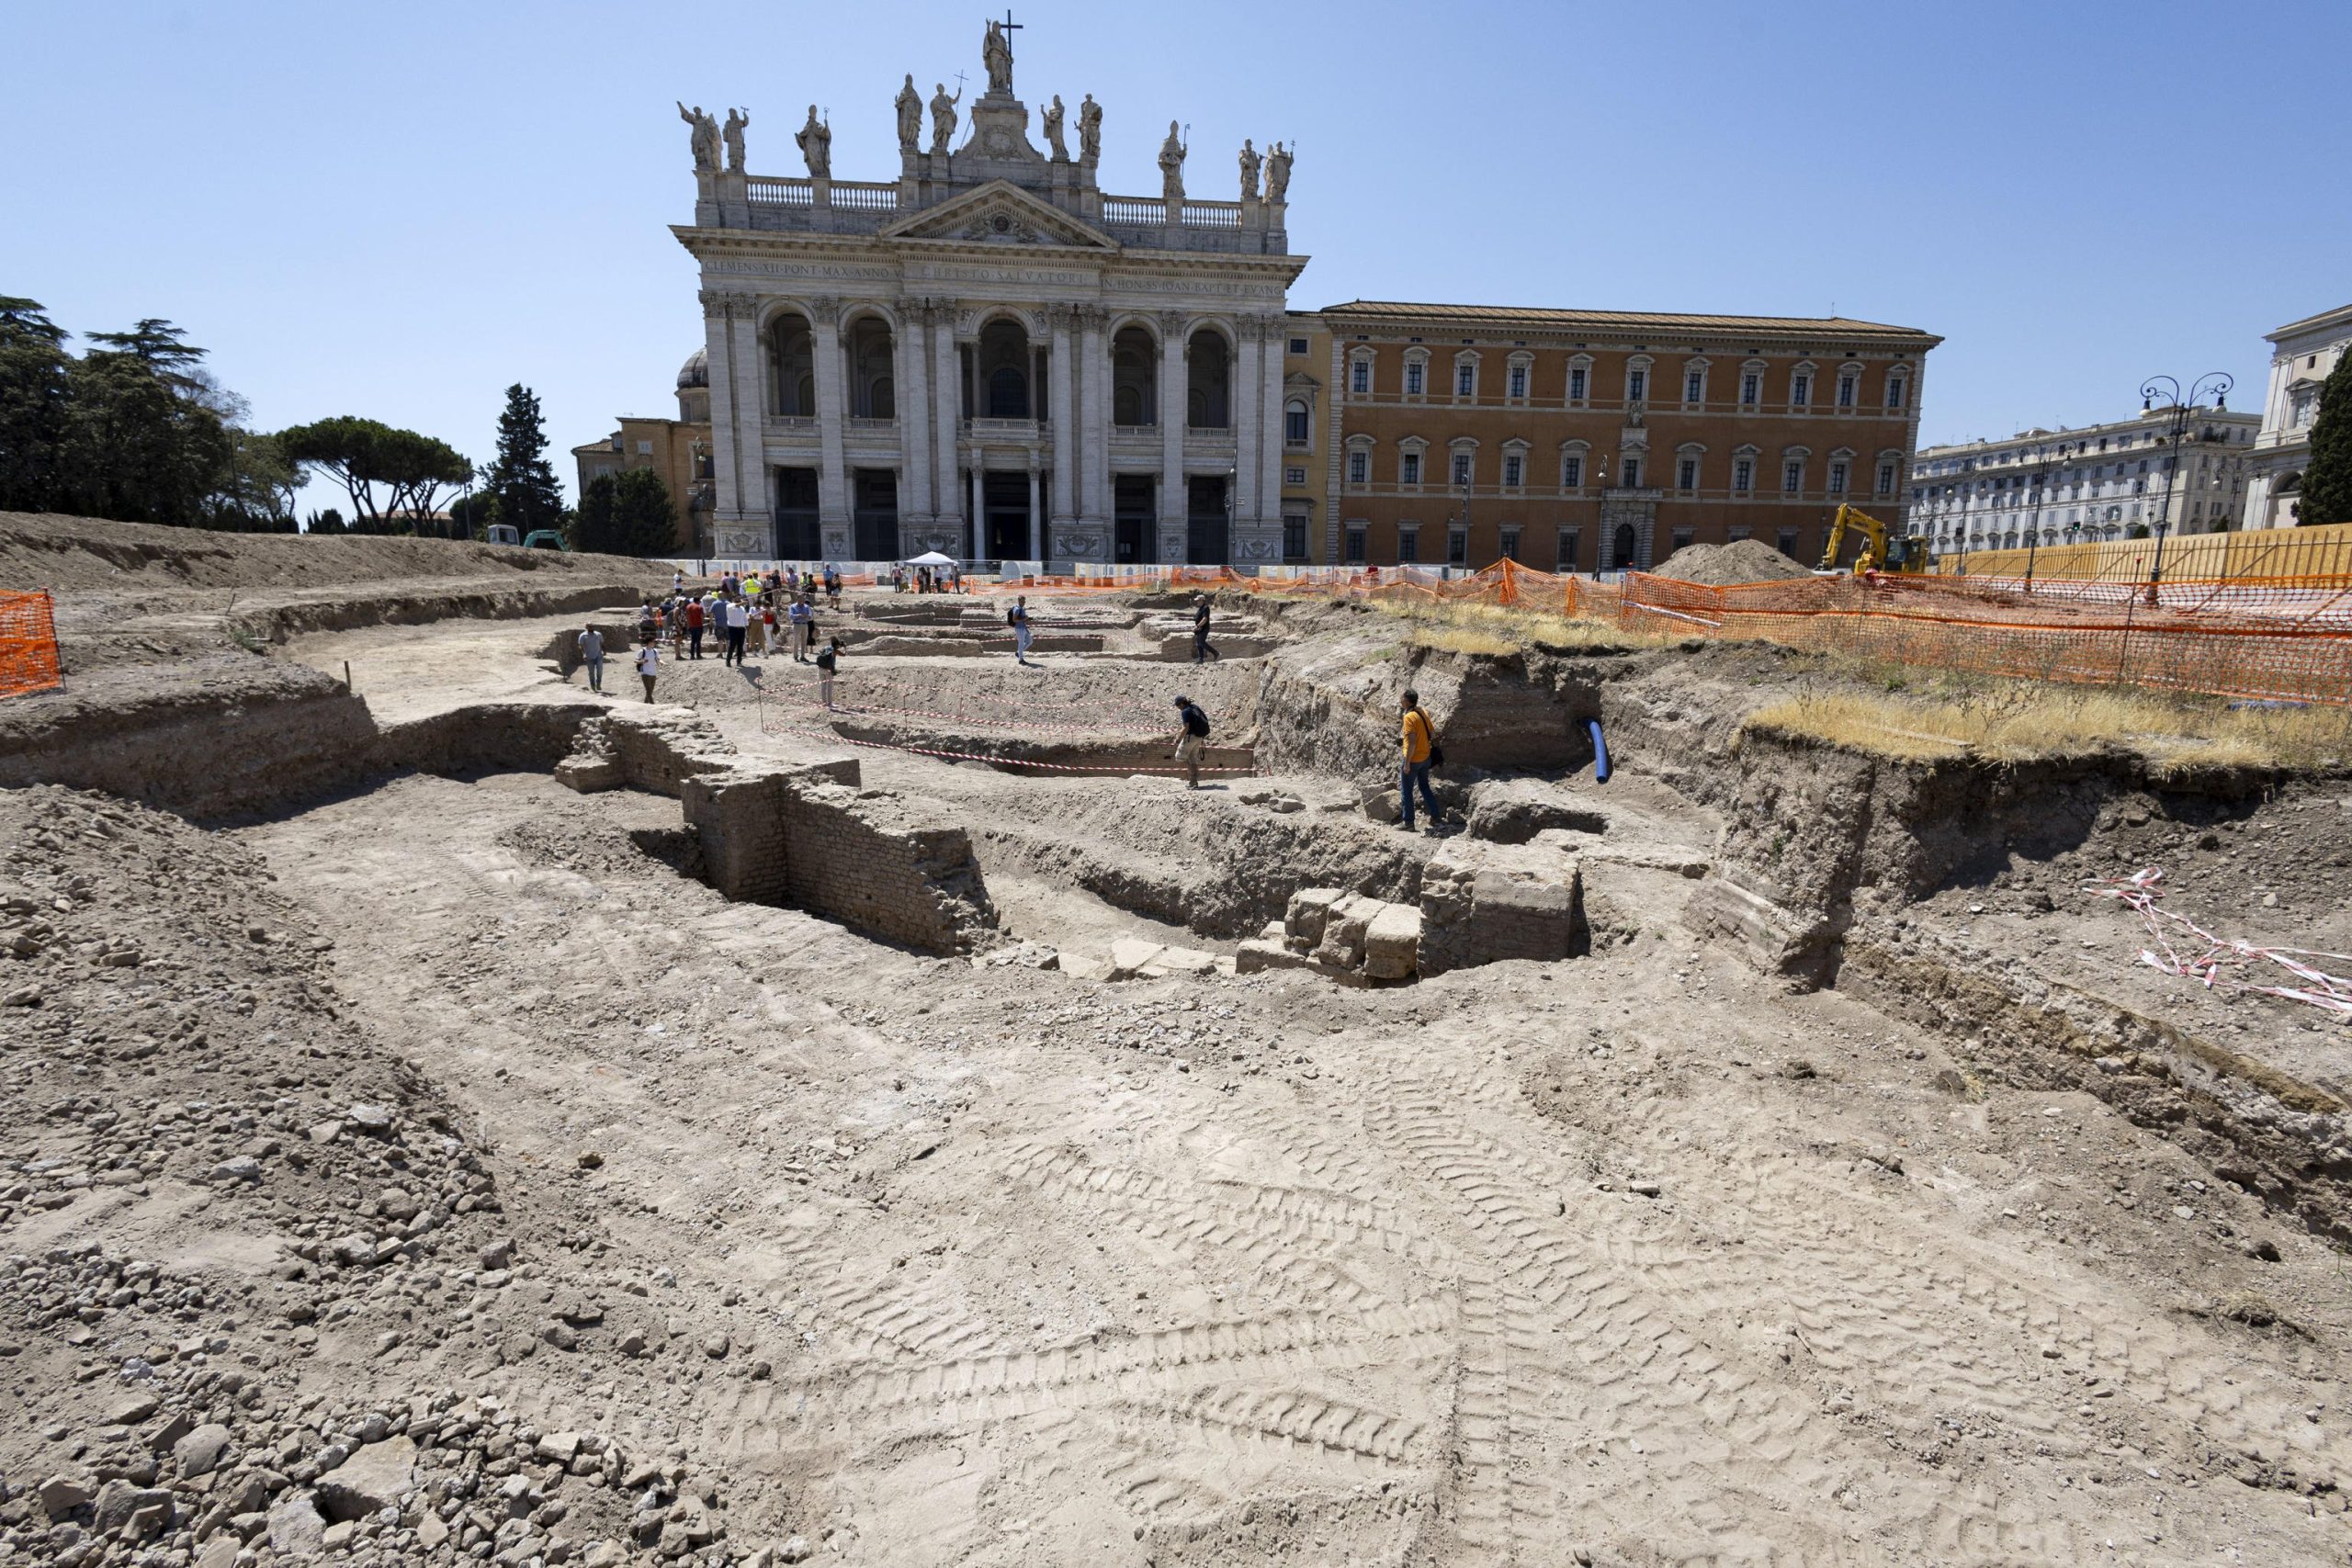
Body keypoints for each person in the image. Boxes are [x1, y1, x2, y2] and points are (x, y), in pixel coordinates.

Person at [1398, 687, 1439, 832]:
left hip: (1414, 759)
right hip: (1426, 757)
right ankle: (1436, 816)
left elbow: (1413, 741)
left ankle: (1408, 822)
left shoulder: (1408, 717)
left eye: (1402, 698)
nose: (1400, 700)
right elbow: (1433, 734)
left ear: (1407, 701)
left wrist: (1407, 763)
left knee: (1406, 790)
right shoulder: (1423, 712)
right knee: (1424, 786)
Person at [1171, 694, 1211, 789]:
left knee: (1180, 756)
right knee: (1192, 758)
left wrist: (1178, 740)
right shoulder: (1194, 707)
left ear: (1181, 704)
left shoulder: (1185, 711)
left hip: (1190, 738)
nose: (1178, 708)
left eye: (1177, 706)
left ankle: (1193, 777)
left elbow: (1186, 727)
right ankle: (1194, 781)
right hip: (1199, 737)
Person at [576, 625, 605, 694]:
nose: (591, 628)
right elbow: (580, 645)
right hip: (589, 657)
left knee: (600, 670)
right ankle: (593, 686)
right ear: (587, 628)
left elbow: (602, 643)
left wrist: (604, 650)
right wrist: (584, 654)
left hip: (598, 655)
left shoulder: (598, 634)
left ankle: (598, 684)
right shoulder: (583, 635)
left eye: (592, 626)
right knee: (591, 672)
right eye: (589, 627)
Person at [816, 635, 842, 710]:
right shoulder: (835, 651)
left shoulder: (826, 647)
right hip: (828, 670)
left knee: (823, 686)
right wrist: (844, 647)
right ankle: (830, 703)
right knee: (829, 687)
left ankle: (824, 703)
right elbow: (844, 654)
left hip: (820, 668)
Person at [723, 596, 751, 666]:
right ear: (733, 599)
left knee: (740, 646)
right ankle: (728, 660)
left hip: (741, 629)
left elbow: (745, 619)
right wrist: (742, 602)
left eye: (739, 598)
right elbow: (735, 605)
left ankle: (739, 661)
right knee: (732, 645)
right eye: (736, 598)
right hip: (733, 629)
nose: (738, 599)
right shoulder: (729, 605)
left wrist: (747, 629)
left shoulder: (742, 608)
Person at [1009, 595, 1035, 665]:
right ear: (1019, 601)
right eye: (1022, 601)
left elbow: (1022, 618)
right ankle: (1021, 660)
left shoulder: (1021, 608)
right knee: (1021, 644)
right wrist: (1024, 619)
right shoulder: (1017, 609)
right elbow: (1014, 620)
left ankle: (1018, 653)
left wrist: (1028, 619)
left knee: (1030, 641)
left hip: (1024, 628)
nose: (1024, 602)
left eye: (1024, 601)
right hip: (1019, 629)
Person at [789, 594, 815, 660]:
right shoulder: (792, 606)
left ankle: (803, 656)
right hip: (797, 625)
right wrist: (799, 615)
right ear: (797, 599)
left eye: (803, 599)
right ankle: (795, 656)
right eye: (801, 599)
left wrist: (807, 616)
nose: (803, 600)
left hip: (805, 625)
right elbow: (791, 616)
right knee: (796, 641)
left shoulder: (807, 607)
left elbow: (810, 615)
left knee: (804, 641)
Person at [1192, 592, 1216, 664]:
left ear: (1202, 600)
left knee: (1201, 642)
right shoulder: (1200, 608)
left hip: (1204, 628)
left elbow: (1205, 619)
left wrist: (1197, 626)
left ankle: (1215, 653)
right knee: (1199, 644)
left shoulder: (1205, 608)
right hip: (1199, 629)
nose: (1197, 602)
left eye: (1198, 600)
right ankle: (1201, 659)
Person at [683, 593, 706, 660]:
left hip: (691, 626)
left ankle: (692, 655)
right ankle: (698, 655)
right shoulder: (699, 607)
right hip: (698, 626)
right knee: (698, 641)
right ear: (698, 601)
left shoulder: (688, 606)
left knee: (693, 641)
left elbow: (686, 616)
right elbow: (702, 617)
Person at [636, 638, 660, 702]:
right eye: (653, 642)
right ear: (649, 642)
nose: (654, 643)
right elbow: (635, 661)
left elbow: (658, 659)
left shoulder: (655, 651)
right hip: (645, 673)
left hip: (653, 673)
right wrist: (642, 661)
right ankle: (653, 705)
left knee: (650, 691)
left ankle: (645, 704)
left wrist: (663, 663)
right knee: (648, 690)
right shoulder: (642, 651)